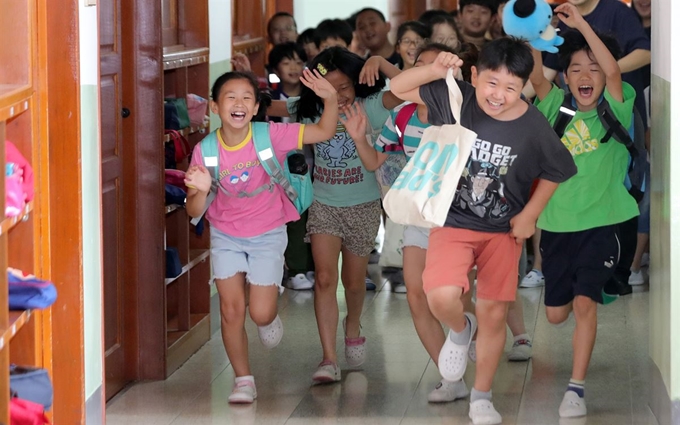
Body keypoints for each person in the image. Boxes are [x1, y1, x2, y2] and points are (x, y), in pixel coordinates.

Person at [390, 38, 576, 424]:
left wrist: (530, 215)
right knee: (439, 296)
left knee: (493, 314)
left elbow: (559, 168)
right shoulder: (457, 98)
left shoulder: (532, 124)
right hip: (452, 222)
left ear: (524, 85)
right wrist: (436, 68)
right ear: (474, 75)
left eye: (511, 87)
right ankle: (461, 328)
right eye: (492, 83)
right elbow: (398, 88)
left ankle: (481, 397)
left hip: (502, 233)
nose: (499, 95)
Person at [183, 70, 339, 404]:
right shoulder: (206, 151)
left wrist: (330, 99)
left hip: (268, 232)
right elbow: (193, 210)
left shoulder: (271, 135)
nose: (238, 104)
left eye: (246, 98)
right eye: (230, 97)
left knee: (260, 313)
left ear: (255, 108)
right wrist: (201, 189)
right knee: (230, 309)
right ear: (214, 106)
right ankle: (243, 380)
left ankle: (267, 319)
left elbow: (324, 131)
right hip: (226, 234)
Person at [529, 2, 639, 418]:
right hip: (557, 228)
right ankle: (593, 289)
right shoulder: (557, 107)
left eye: (592, 67)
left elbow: (613, 72)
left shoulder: (618, 103)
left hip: (607, 221)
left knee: (582, 303)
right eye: (575, 68)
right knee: (556, 315)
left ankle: (576, 389)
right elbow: (537, 77)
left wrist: (582, 26)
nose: (585, 76)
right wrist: (536, 38)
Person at [270, 46, 403, 383]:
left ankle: (353, 323)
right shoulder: (308, 109)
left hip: (364, 205)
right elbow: (264, 106)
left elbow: (407, 88)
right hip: (324, 204)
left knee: (354, 282)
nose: (339, 95)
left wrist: (382, 63)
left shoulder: (370, 107)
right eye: (330, 88)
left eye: (345, 87)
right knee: (326, 279)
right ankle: (328, 358)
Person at [354, 42, 470, 402]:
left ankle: (467, 332)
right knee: (417, 296)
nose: (425, 74)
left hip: (461, 217)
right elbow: (378, 163)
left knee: (449, 297)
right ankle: (450, 377)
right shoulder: (401, 116)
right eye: (418, 67)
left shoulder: (461, 110)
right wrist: (360, 137)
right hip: (421, 215)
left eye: (433, 67)